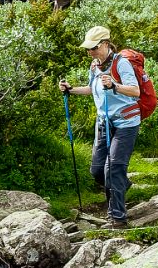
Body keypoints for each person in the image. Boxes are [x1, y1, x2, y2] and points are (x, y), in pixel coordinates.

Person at [59, 25, 144, 228]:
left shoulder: (121, 63)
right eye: (88, 48)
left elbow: (135, 91)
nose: (90, 52)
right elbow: (92, 89)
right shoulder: (94, 65)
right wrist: (71, 90)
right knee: (97, 170)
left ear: (106, 44)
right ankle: (121, 185)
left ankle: (118, 219)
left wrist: (114, 85)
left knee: (113, 168)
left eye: (94, 47)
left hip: (126, 123)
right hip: (104, 122)